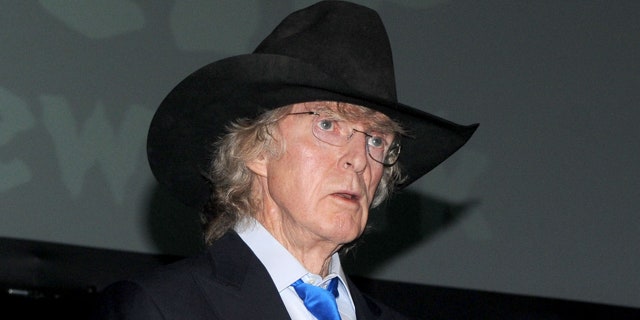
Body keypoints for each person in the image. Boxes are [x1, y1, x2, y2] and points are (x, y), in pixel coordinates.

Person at [92, 1, 477, 319]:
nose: (360, 160)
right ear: (257, 149)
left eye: (376, 139)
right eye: (328, 124)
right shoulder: (162, 309)